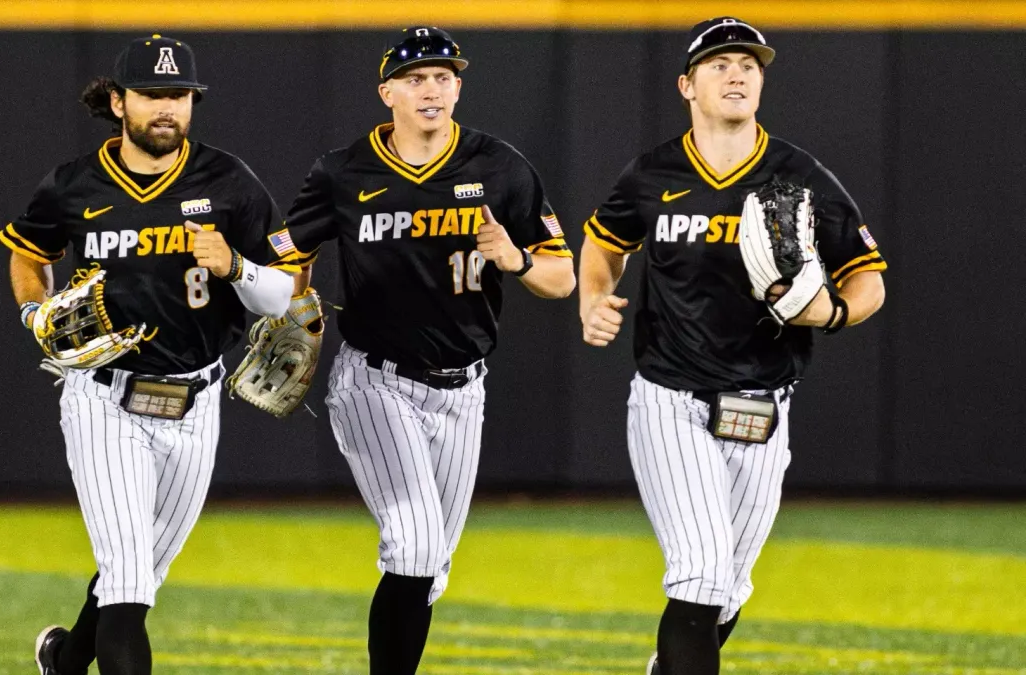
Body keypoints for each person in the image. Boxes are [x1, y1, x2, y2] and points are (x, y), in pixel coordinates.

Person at [577, 17, 887, 675]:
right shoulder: (653, 173)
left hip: (763, 401)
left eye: (749, 63)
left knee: (727, 587)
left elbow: (868, 277)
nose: (738, 72)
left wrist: (833, 313)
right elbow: (604, 241)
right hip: (671, 395)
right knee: (701, 572)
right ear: (687, 84)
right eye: (719, 63)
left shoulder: (797, 176)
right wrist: (593, 294)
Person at [266, 26, 576, 674]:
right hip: (375, 379)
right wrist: (294, 315)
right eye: (414, 78)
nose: (430, 88)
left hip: (464, 388)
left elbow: (562, 276)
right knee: (412, 546)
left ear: (459, 87)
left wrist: (514, 257)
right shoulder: (343, 170)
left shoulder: (500, 166)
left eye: (442, 76)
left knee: (428, 569)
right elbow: (288, 252)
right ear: (387, 92)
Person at [0, 34, 293, 675]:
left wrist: (236, 265)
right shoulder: (72, 185)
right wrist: (33, 310)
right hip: (105, 399)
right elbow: (28, 254)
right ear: (116, 100)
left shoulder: (229, 180)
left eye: (180, 96)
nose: (168, 108)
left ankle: (66, 658)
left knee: (135, 575)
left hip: (197, 401)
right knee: (129, 582)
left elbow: (281, 294)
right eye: (153, 95)